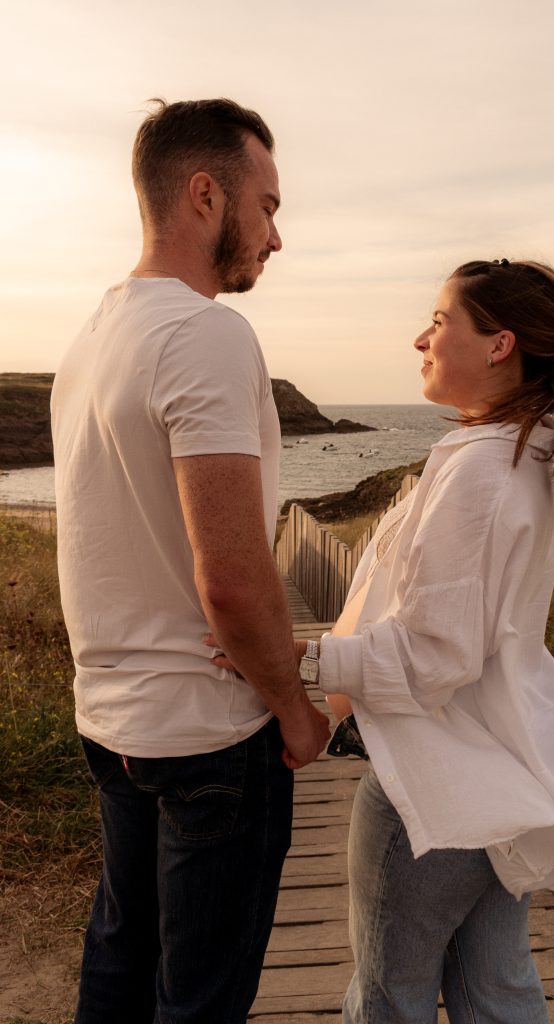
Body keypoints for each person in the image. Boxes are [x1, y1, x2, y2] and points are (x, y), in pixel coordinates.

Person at [286, 259, 554, 1023]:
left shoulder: (485, 472)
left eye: (439, 320)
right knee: (495, 990)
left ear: (498, 345)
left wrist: (297, 659)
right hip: (495, 773)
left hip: (435, 779)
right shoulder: (514, 454)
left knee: (387, 999)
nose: (419, 337)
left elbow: (436, 656)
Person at [51, 98, 330, 1024]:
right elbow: (231, 574)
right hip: (210, 733)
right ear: (205, 196)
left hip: (113, 720)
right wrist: (294, 707)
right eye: (269, 206)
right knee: (201, 998)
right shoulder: (205, 333)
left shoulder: (91, 340)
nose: (275, 237)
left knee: (122, 957)